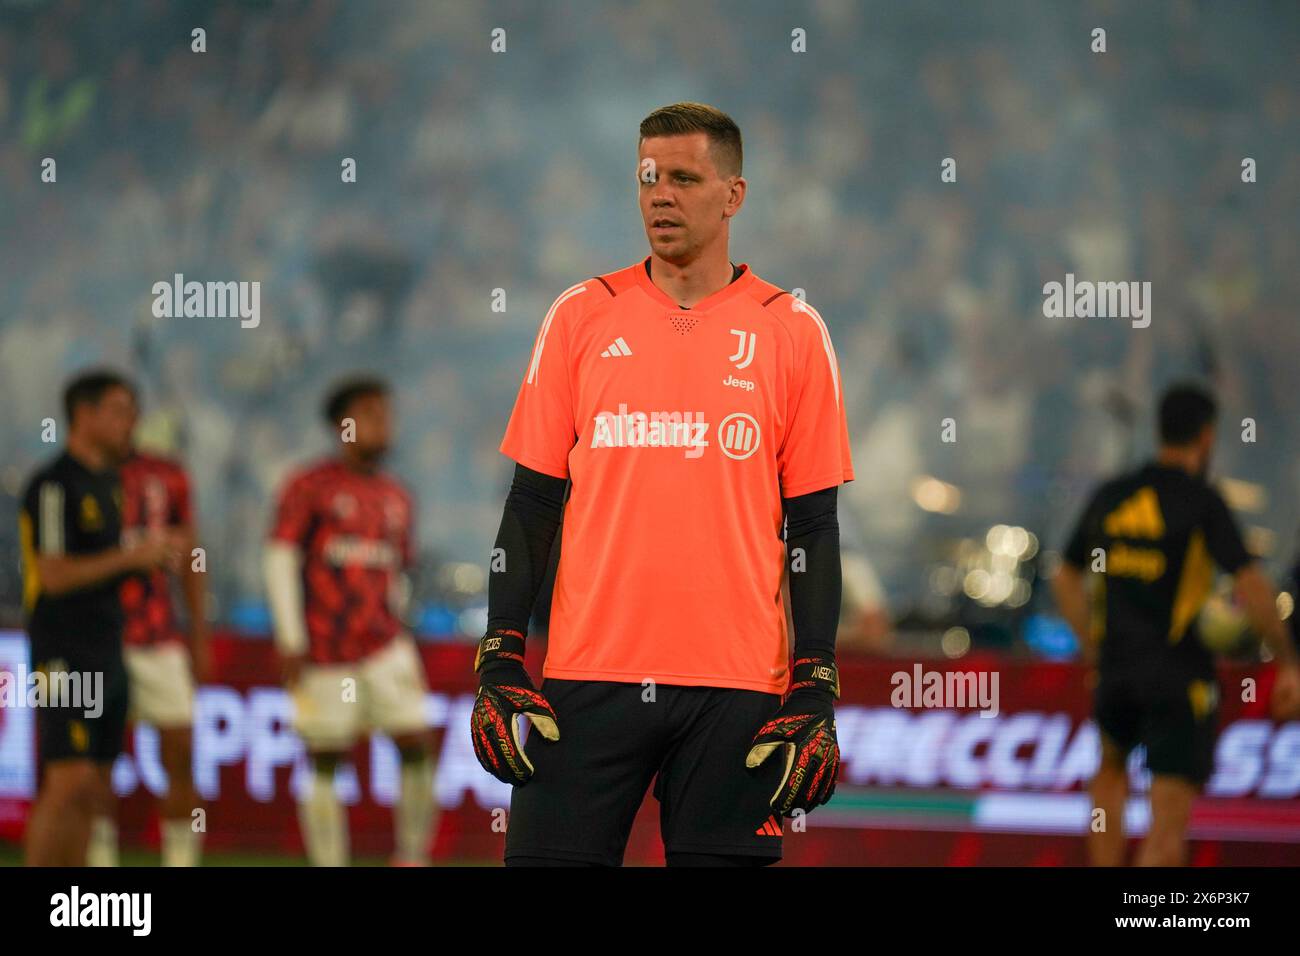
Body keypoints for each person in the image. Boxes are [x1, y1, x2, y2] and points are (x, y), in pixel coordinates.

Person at [471, 102, 854, 866]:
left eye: (683, 178)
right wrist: (500, 652)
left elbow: (812, 527)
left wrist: (815, 679)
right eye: (649, 178)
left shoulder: (792, 330)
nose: (660, 196)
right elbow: (532, 505)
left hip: (739, 688)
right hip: (586, 677)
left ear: (733, 195)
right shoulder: (581, 315)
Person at [1053, 382, 1300, 867]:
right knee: (1166, 819)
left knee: (1108, 783)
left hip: (1116, 673)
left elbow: (1063, 577)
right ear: (1206, 437)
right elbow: (1250, 584)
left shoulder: (1113, 495)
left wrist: (1092, 647)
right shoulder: (1200, 502)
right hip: (1178, 678)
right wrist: (1287, 658)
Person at [264, 377, 436, 866]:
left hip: (385, 644)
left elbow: (400, 571)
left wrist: (401, 623)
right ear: (342, 424)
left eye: (386, 413)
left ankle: (411, 857)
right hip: (324, 646)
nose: (384, 423)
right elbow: (279, 557)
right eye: (370, 413)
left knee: (417, 741)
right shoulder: (308, 485)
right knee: (325, 756)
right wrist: (291, 637)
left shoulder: (397, 494)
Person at [18, 370, 179, 865]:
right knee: (67, 781)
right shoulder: (53, 485)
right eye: (120, 410)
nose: (132, 421)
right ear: (83, 416)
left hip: (109, 645)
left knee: (94, 787)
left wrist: (145, 559)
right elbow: (55, 575)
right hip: (65, 649)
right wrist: (131, 558)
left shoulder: (111, 484)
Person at [85, 433, 209, 867]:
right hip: (96, 641)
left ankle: (181, 859)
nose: (123, 422)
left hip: (159, 638)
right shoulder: (74, 479)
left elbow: (193, 554)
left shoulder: (167, 476)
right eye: (114, 411)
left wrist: (197, 632)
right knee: (95, 764)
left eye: (129, 410)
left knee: (181, 751)